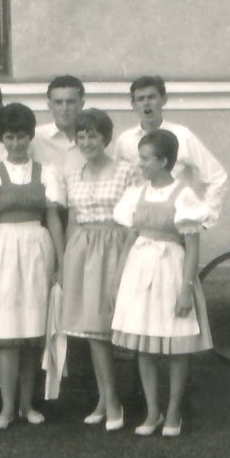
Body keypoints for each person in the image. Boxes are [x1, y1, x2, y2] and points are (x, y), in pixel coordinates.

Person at [111, 129, 213, 438]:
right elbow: (130, 237)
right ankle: (152, 411)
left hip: (170, 270)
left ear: (163, 161)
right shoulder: (136, 193)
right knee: (144, 345)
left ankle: (173, 413)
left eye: (145, 159)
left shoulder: (184, 195)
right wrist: (117, 280)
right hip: (139, 271)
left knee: (174, 346)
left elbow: (192, 246)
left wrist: (186, 289)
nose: (140, 164)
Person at [0, 103, 65, 430]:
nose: (16, 143)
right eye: (10, 137)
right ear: (2, 139)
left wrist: (60, 263)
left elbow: (54, 221)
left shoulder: (47, 173)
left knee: (32, 334)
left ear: (30, 137)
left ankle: (29, 405)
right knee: (7, 334)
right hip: (4, 252)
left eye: (22, 137)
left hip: (37, 252)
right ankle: (6, 408)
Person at [60, 109, 137, 430]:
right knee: (92, 331)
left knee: (105, 329)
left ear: (105, 138)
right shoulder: (73, 176)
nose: (87, 142)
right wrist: (66, 263)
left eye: (93, 135)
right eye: (81, 136)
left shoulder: (125, 171)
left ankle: (114, 401)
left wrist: (125, 262)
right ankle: (107, 401)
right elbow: (73, 221)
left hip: (114, 249)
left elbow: (134, 219)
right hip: (82, 253)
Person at [112, 76, 228, 227]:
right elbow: (118, 182)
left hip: (173, 220)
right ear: (133, 104)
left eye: (152, 97)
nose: (146, 103)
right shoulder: (125, 141)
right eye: (140, 99)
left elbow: (217, 176)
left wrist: (206, 218)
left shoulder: (182, 135)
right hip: (138, 221)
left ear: (164, 99)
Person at [32, 75, 87, 176]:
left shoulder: (94, 139)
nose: (64, 108)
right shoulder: (35, 138)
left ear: (81, 104)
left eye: (70, 102)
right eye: (58, 102)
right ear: (50, 106)